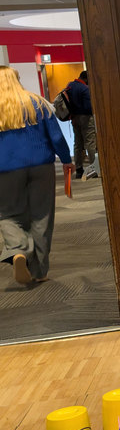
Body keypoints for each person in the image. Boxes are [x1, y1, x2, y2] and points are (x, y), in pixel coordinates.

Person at [0, 65, 72, 285]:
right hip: (42, 167)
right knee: (42, 216)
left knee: (8, 215)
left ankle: (18, 249)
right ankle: (39, 271)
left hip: (5, 170)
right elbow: (57, 137)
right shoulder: (38, 103)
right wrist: (67, 159)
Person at [62, 69, 98, 179]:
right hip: (86, 118)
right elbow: (88, 107)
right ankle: (94, 169)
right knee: (90, 143)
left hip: (74, 118)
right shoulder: (85, 89)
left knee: (77, 144)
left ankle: (79, 169)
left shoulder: (70, 86)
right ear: (86, 79)